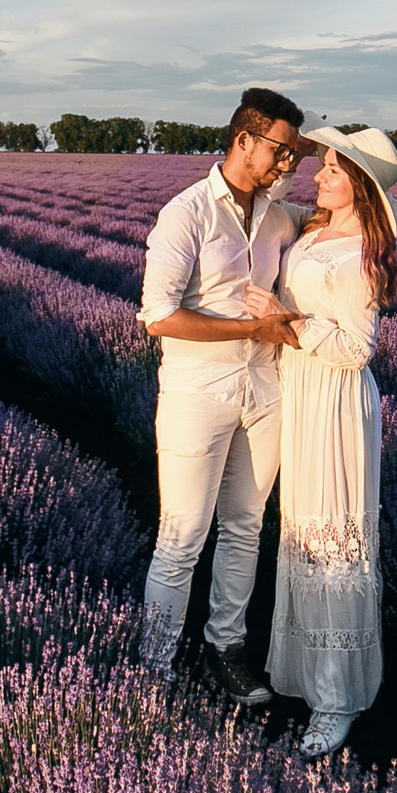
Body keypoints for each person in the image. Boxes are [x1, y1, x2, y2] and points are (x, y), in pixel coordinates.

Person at [135, 86, 310, 703]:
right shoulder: (185, 213)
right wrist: (251, 327)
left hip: (263, 390)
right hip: (197, 394)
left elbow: (335, 221)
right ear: (243, 141)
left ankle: (225, 647)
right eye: (281, 151)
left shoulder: (276, 213)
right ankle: (154, 669)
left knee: (244, 526)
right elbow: (158, 316)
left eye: (295, 153)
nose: (290, 163)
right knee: (180, 536)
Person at [246, 125, 397, 757]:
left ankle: (337, 701)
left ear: (359, 184)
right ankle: (309, 674)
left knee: (333, 537)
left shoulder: (363, 248)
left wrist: (287, 323)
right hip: (302, 389)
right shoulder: (312, 230)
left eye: (333, 170)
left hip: (335, 400)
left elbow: (359, 349)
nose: (318, 177)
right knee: (302, 532)